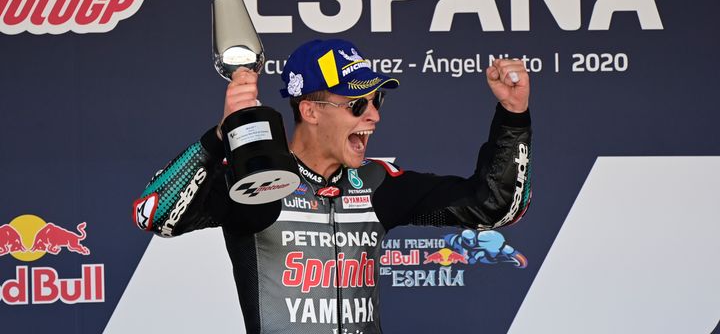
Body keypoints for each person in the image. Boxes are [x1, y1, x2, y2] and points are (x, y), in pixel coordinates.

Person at [133, 38, 532, 334]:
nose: (373, 116)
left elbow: (495, 206)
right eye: (358, 105)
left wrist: (513, 116)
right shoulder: (254, 181)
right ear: (310, 111)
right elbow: (154, 213)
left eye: (377, 102)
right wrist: (221, 134)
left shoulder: (379, 185)